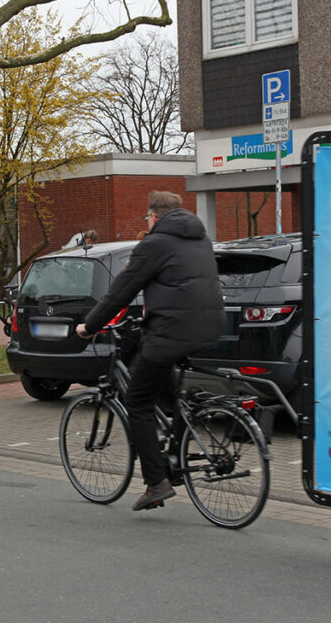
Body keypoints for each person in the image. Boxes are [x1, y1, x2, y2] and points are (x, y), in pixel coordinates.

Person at [76, 191, 224, 511]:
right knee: (164, 379)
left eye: (147, 218)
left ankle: (156, 482)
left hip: (172, 332)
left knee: (137, 400)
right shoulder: (201, 239)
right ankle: (179, 444)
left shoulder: (154, 244)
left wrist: (90, 325)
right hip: (209, 329)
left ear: (154, 217)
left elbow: (121, 292)